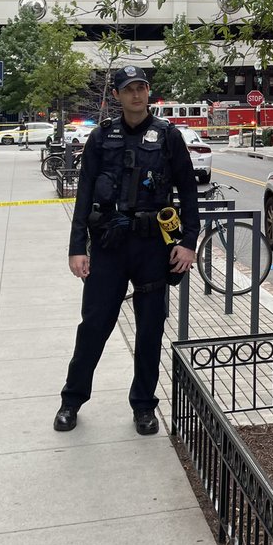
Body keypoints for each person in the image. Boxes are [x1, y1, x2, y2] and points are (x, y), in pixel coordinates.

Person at [54, 66, 200, 435]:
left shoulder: (169, 137)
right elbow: (84, 192)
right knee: (94, 327)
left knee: (149, 331)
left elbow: (189, 190)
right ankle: (71, 401)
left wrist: (188, 243)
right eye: (129, 89)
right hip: (108, 246)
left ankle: (144, 407)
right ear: (116, 95)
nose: (136, 94)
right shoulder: (102, 137)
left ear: (148, 92)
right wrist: (77, 248)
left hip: (153, 247)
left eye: (142, 88)